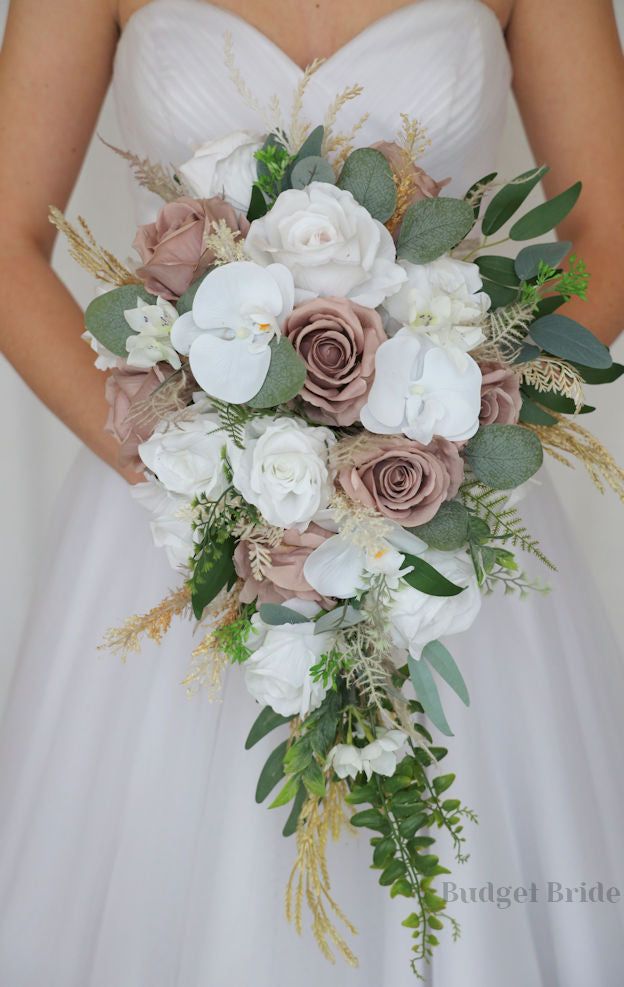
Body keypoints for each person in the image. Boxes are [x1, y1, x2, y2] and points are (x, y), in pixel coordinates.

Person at [0, 1, 623, 984]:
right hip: (171, 506)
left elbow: (606, 224)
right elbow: (4, 239)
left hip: (436, 491)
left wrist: (444, 435)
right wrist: (198, 468)